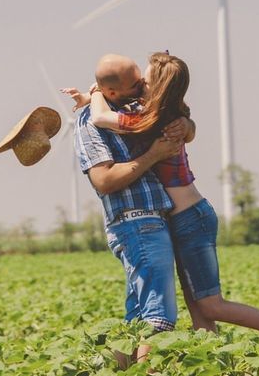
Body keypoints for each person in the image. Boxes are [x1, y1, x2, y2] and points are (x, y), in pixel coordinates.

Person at [66, 51, 259, 363]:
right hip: (178, 220)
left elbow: (101, 117)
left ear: (158, 88)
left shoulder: (150, 119)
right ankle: (218, 366)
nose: (139, 87)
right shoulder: (159, 113)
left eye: (144, 82)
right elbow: (113, 113)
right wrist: (92, 94)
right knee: (202, 319)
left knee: (208, 307)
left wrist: (94, 94)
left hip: (190, 219)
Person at [70, 53, 196, 365]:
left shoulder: (131, 110)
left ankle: (117, 369)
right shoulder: (91, 122)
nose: (142, 86)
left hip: (152, 221)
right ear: (112, 92)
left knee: (137, 319)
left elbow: (178, 114)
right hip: (136, 222)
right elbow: (104, 180)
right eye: (135, 83)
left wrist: (186, 124)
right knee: (160, 316)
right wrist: (154, 155)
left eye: (142, 79)